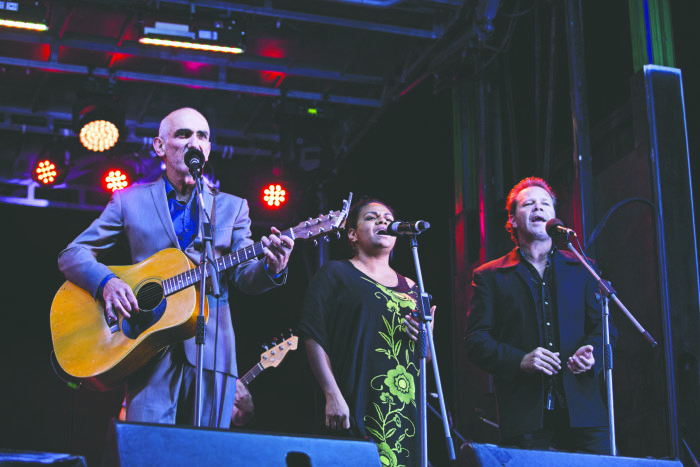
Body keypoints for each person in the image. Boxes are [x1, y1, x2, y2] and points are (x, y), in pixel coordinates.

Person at [58, 107, 294, 428]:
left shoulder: (232, 207)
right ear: (159, 146)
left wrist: (272, 267)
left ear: (208, 149)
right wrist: (107, 283)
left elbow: (244, 277)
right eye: (183, 134)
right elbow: (73, 253)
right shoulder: (129, 200)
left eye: (202, 136)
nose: (193, 142)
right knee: (149, 455)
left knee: (207, 456)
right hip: (148, 348)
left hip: (214, 350)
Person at [464, 177, 616, 454]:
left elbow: (604, 327)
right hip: (525, 416)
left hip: (584, 412)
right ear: (512, 220)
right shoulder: (490, 276)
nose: (538, 207)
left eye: (545, 203)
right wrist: (520, 360)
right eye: (528, 203)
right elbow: (476, 341)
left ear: (553, 218)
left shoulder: (583, 267)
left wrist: (592, 351)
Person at [298, 198, 434, 467]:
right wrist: (332, 393)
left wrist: (424, 339)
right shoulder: (335, 273)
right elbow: (313, 334)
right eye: (372, 217)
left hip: (403, 411)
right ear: (352, 234)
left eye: (387, 217)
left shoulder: (413, 287)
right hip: (354, 400)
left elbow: (426, 359)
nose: (382, 221)